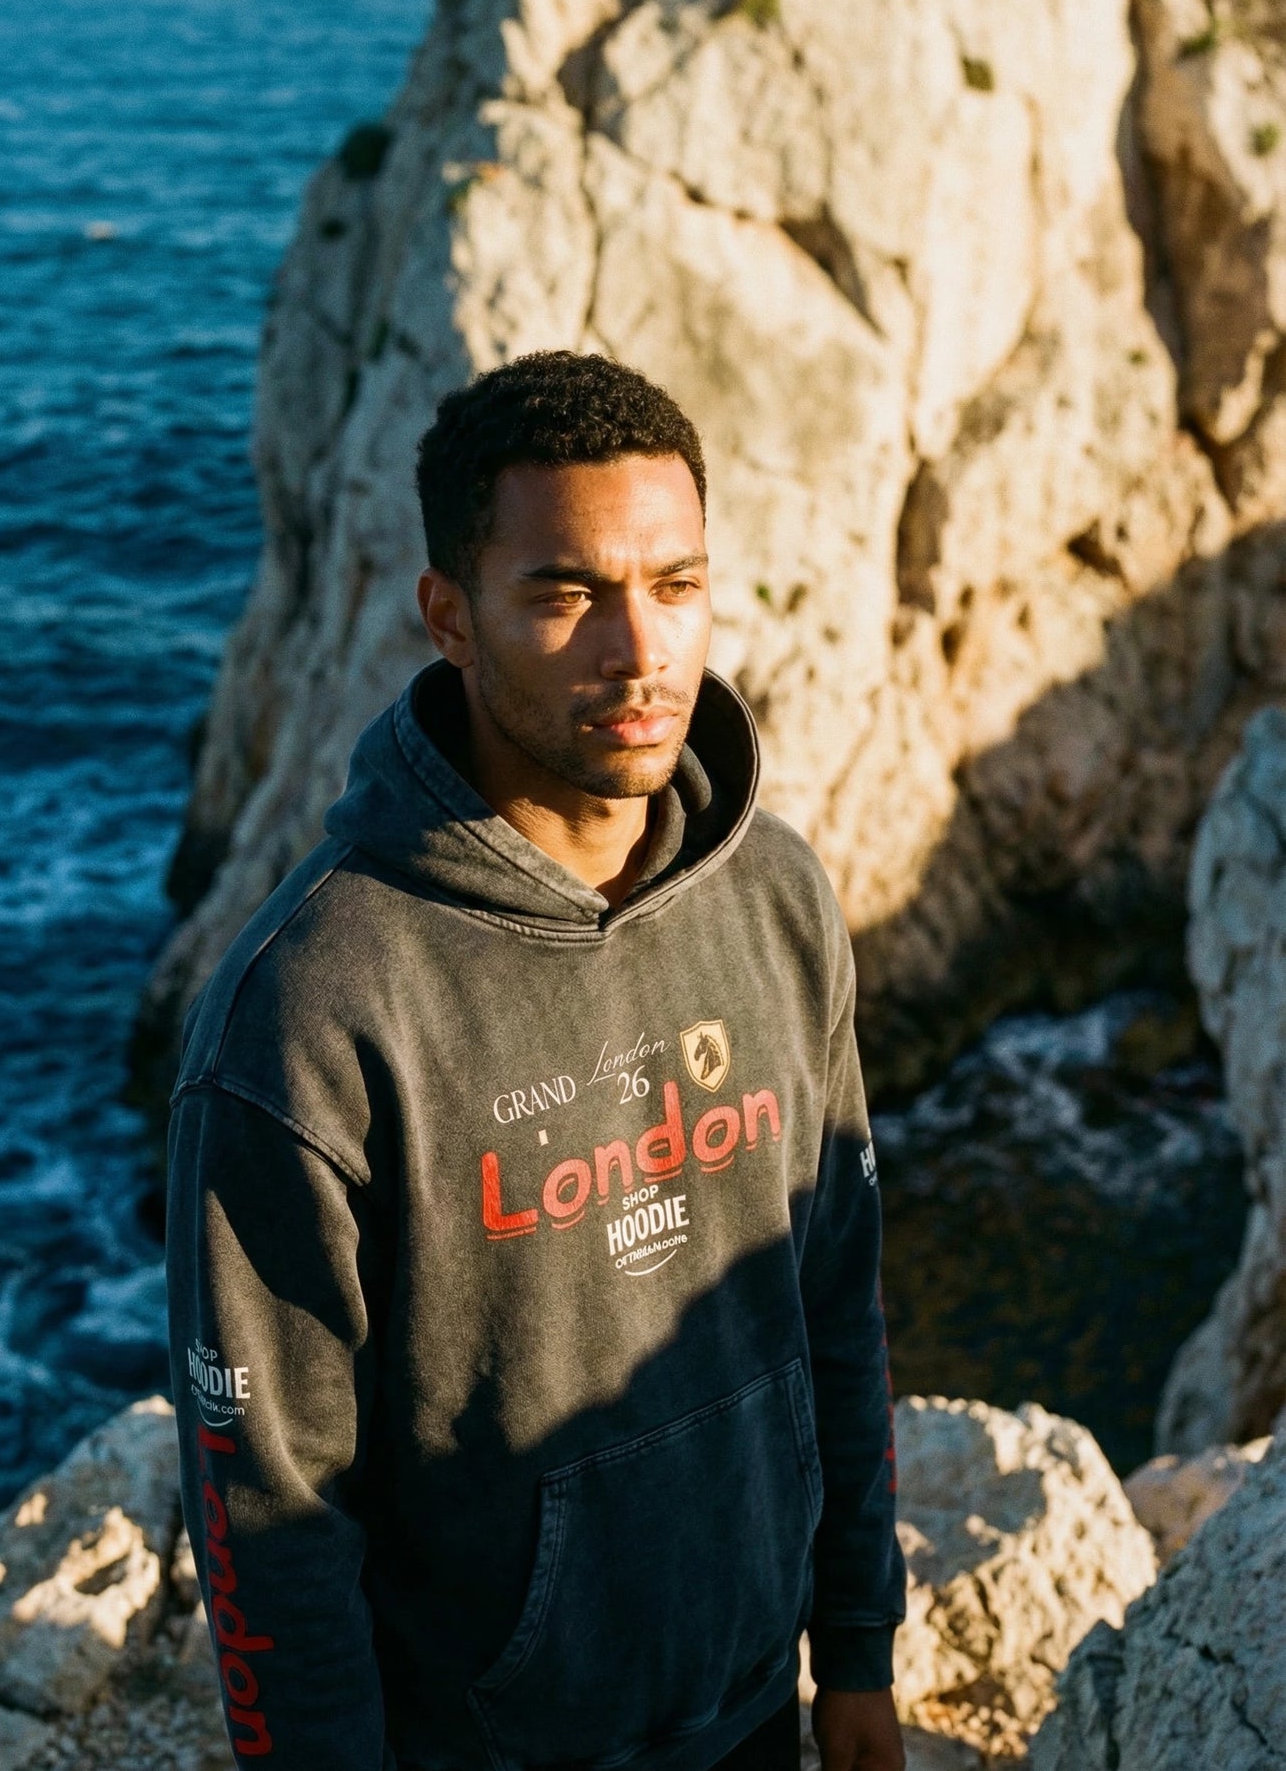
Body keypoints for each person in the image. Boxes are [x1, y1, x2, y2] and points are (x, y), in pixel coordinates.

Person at [166, 350, 907, 1771]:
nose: (639, 649)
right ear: (448, 614)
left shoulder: (778, 901)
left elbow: (834, 1291)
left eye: (675, 584)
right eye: (566, 595)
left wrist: (856, 1643)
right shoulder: (313, 1007)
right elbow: (265, 1504)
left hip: (753, 1706)